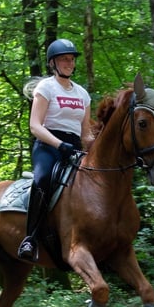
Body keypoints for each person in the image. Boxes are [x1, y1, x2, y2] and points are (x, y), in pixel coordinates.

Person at [18, 39, 93, 261]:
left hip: (75, 148)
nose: (69, 63)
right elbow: (35, 126)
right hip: (49, 146)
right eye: (64, 59)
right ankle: (30, 239)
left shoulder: (82, 94)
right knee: (42, 180)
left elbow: (86, 131)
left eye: (71, 59)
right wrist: (59, 145)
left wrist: (93, 148)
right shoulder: (46, 87)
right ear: (53, 63)